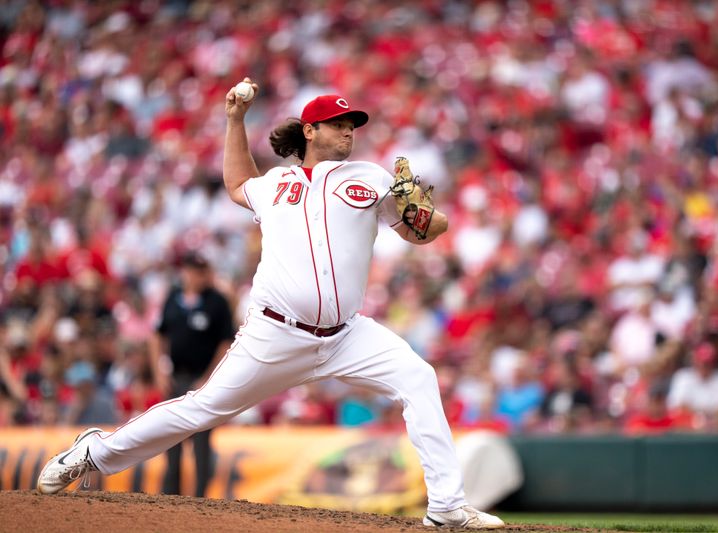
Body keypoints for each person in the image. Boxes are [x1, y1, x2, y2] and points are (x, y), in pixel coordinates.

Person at [37, 79, 504, 529]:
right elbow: (239, 182)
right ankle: (93, 452)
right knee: (201, 410)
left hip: (347, 334)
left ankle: (447, 507)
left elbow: (421, 231)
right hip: (276, 331)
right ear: (310, 130)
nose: (348, 130)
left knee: (418, 377)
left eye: (352, 124)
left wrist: (423, 214)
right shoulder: (277, 183)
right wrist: (235, 119)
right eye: (338, 123)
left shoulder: (372, 177)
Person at [149, 251, 235, 497]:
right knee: (171, 439)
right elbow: (157, 334)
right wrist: (159, 371)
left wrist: (209, 376)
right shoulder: (173, 297)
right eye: (194, 271)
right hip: (176, 376)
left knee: (201, 443)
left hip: (203, 379)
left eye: (201, 271)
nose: (198, 276)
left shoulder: (217, 302)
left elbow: (225, 342)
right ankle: (170, 497)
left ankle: (200, 499)